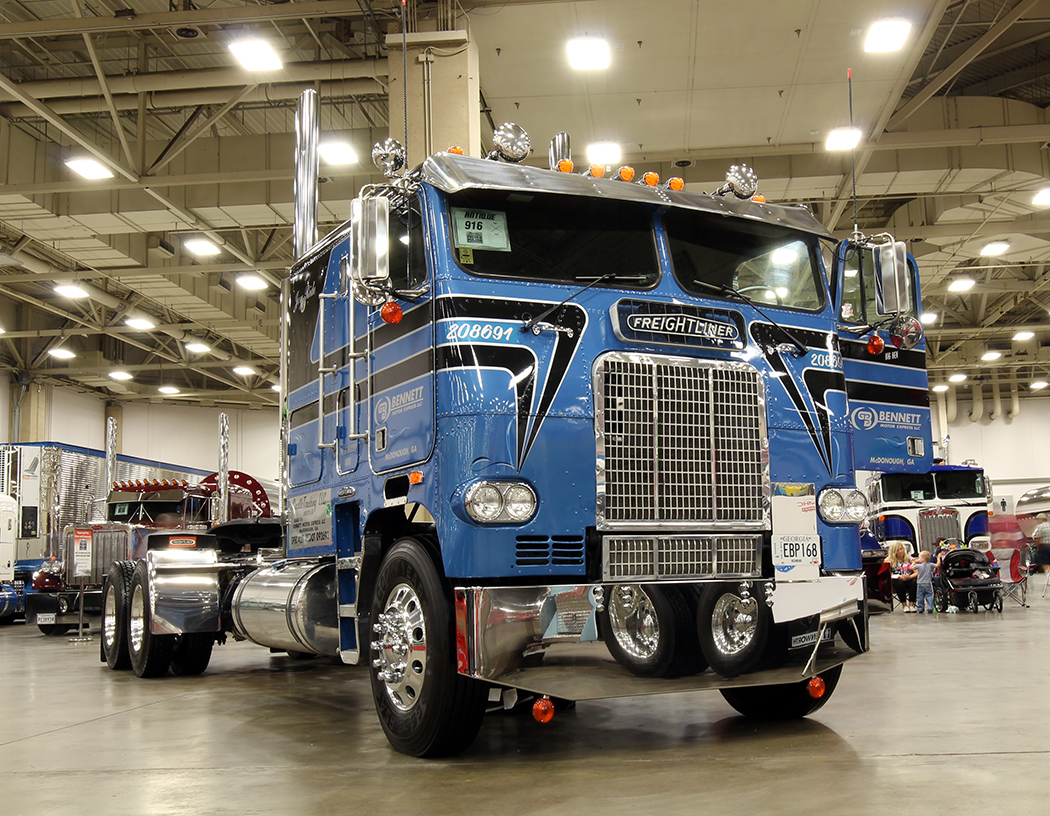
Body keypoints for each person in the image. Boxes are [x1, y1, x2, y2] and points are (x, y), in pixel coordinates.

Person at [884, 542, 916, 612]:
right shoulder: (889, 560)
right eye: (897, 550)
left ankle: (911, 604)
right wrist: (898, 576)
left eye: (901, 549)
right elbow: (887, 573)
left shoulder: (910, 559)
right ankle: (904, 605)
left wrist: (910, 577)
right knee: (899, 584)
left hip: (909, 578)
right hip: (896, 579)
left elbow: (917, 572)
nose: (900, 551)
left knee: (914, 582)